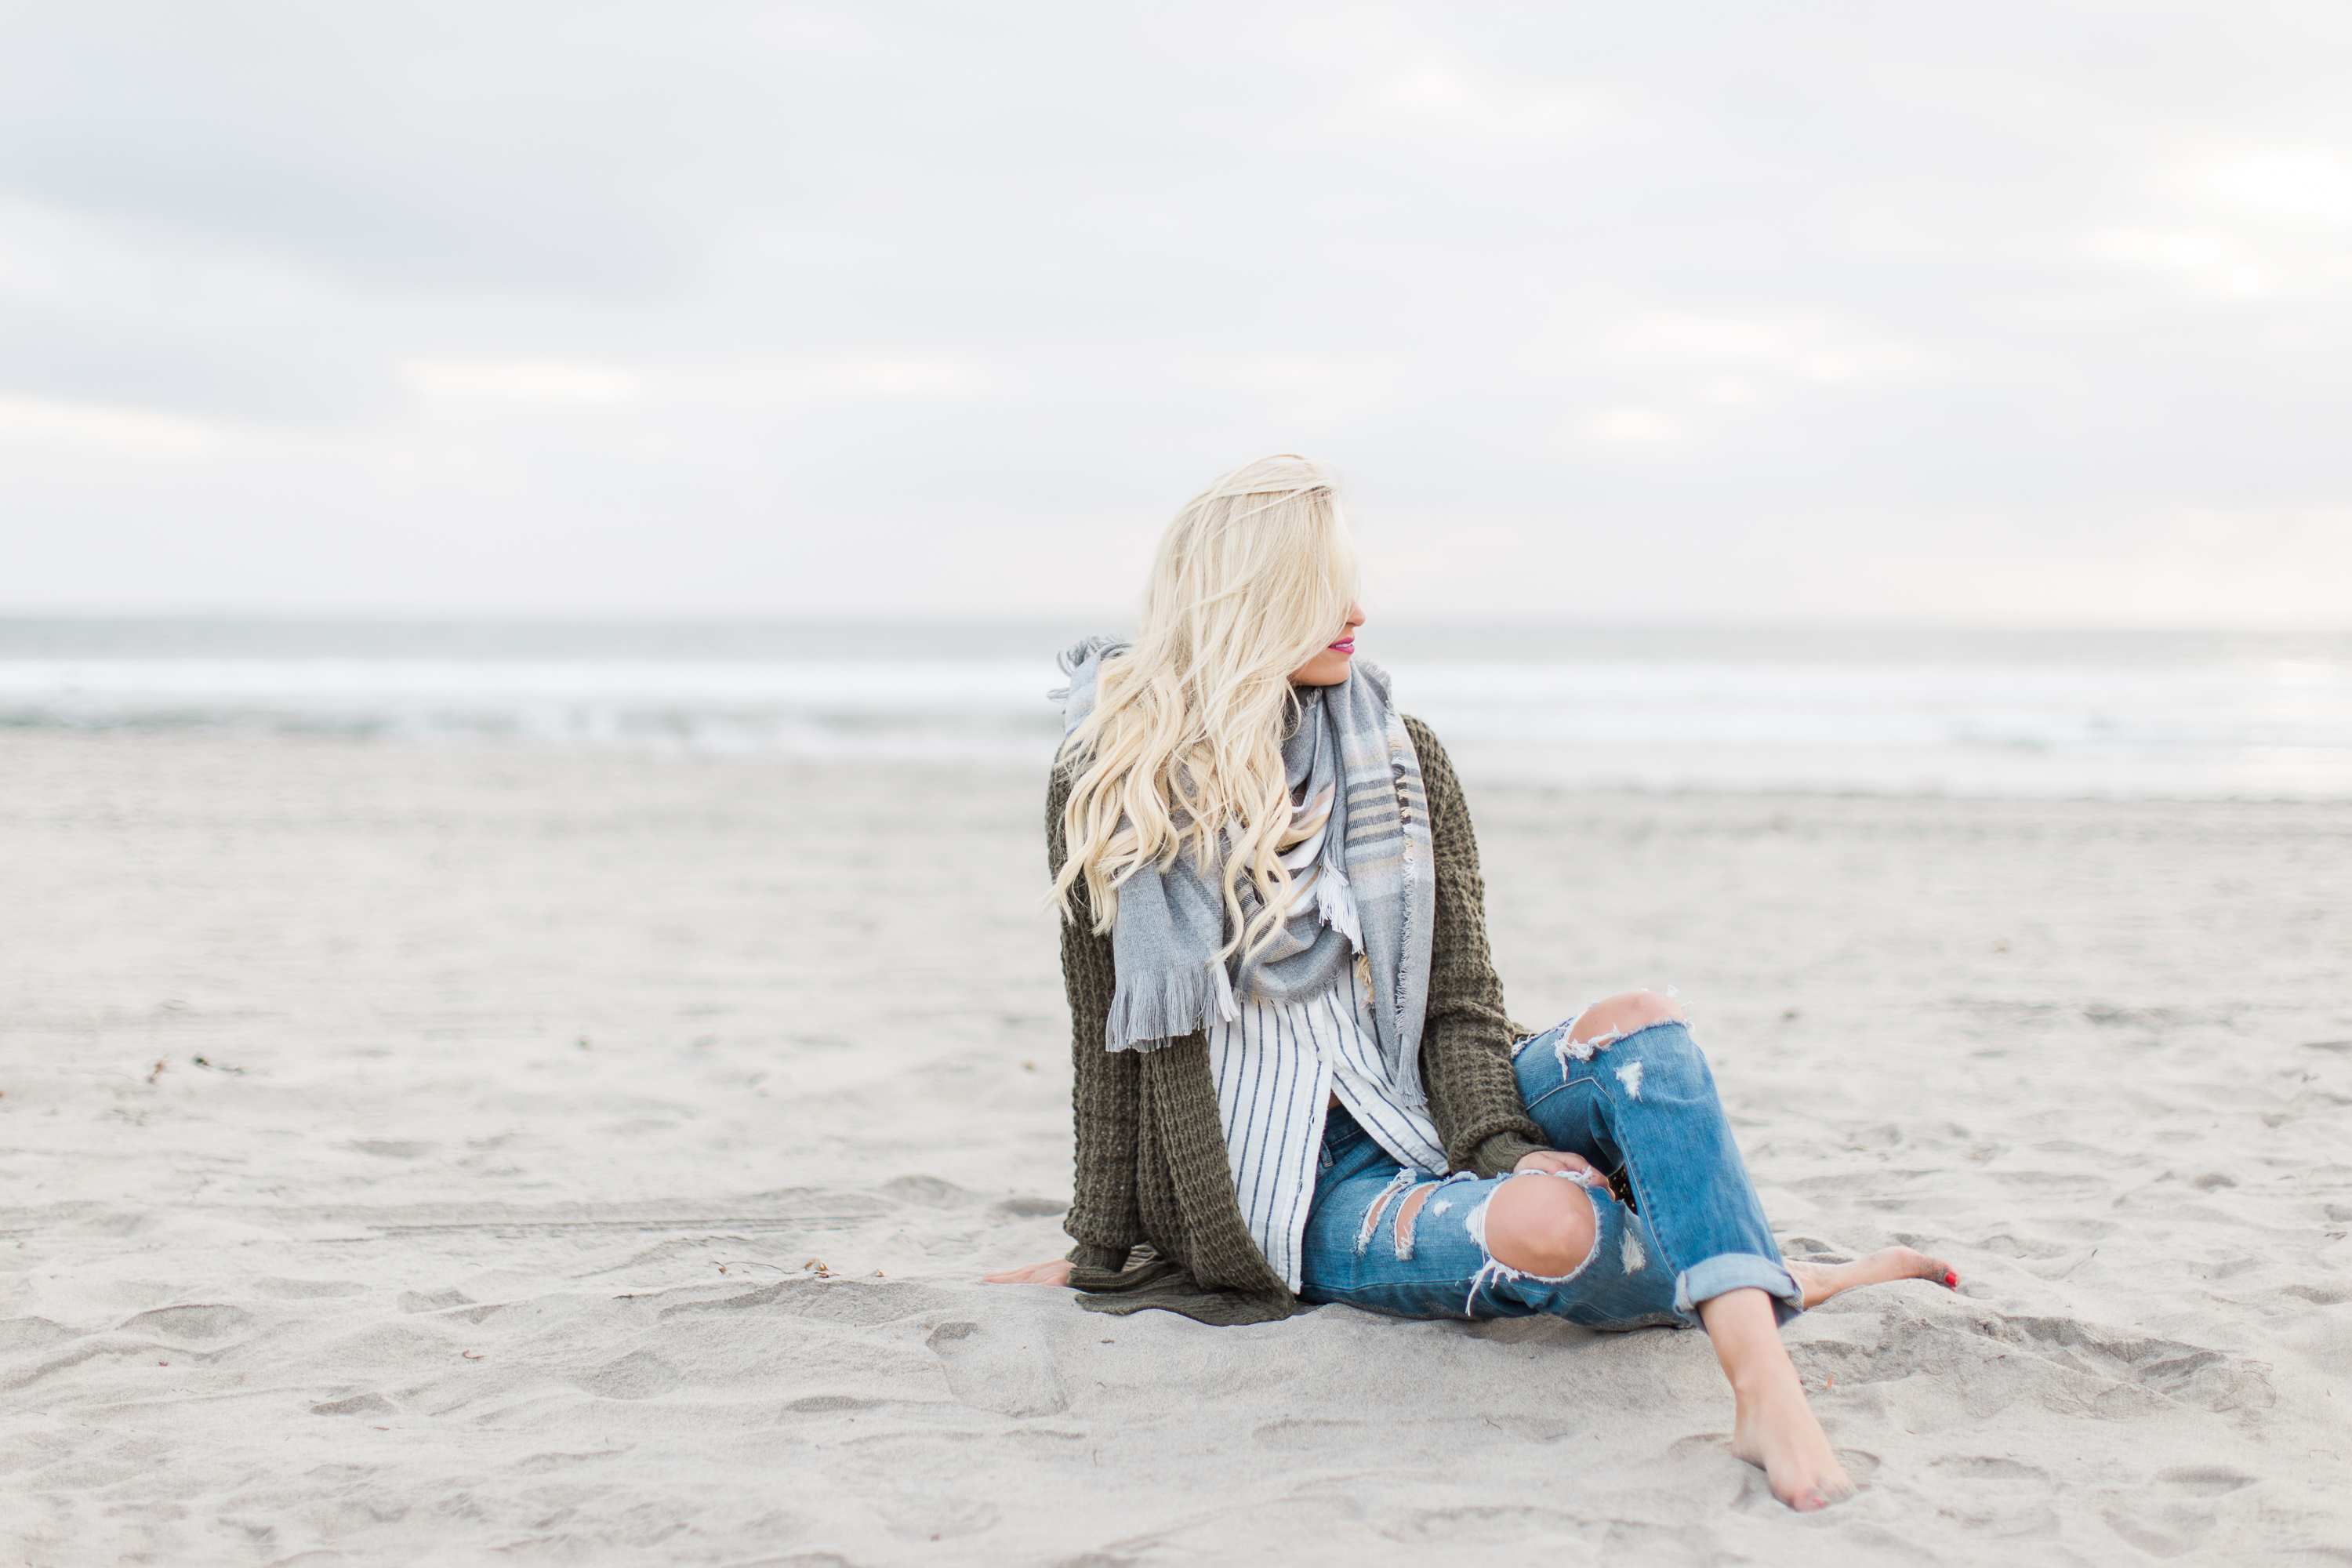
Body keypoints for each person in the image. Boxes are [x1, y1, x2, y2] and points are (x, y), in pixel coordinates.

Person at [984, 455, 1956, 1511]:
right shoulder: (1115, 777)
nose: (1358, 610)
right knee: (1552, 1229)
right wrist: (1097, 1250)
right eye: (1323, 590)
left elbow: (1459, 1002)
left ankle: (1765, 1389)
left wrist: (1497, 1142)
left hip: (1428, 1107)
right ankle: (1771, 1276)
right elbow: (1107, 1043)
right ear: (1246, 600)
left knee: (1645, 1027)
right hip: (1301, 1192)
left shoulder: (1402, 757)